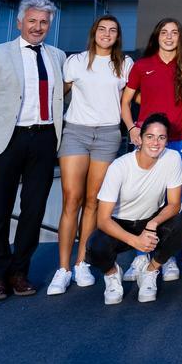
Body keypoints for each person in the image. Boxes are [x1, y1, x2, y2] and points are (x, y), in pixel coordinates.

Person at [0, 0, 65, 302]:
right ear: (19, 22)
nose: (37, 27)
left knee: (33, 211)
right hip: (5, 141)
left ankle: (20, 272)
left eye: (44, 22)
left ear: (50, 25)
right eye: (32, 21)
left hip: (45, 139)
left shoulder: (58, 56)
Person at [48, 15, 134, 296]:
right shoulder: (75, 61)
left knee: (93, 201)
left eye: (112, 30)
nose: (107, 33)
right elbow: (55, 93)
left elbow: (132, 99)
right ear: (94, 32)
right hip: (75, 132)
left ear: (117, 36)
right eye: (102, 29)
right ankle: (63, 270)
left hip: (108, 135)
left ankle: (82, 262)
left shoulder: (125, 64)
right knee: (71, 198)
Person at [121, 18, 182, 282]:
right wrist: (133, 127)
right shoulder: (142, 66)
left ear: (180, 38)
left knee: (174, 203)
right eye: (164, 32)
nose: (169, 37)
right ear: (157, 36)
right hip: (150, 142)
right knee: (148, 200)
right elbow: (126, 102)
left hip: (181, 141)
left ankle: (168, 256)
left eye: (174, 33)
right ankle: (141, 255)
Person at [85, 114, 182, 304]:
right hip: (120, 224)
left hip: (150, 220)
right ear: (140, 139)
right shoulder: (119, 167)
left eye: (161, 137)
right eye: (150, 136)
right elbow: (102, 219)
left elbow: (174, 204)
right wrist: (135, 241)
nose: (155, 142)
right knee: (95, 246)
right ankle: (111, 273)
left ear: (167, 140)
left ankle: (151, 271)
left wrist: (153, 223)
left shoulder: (172, 158)